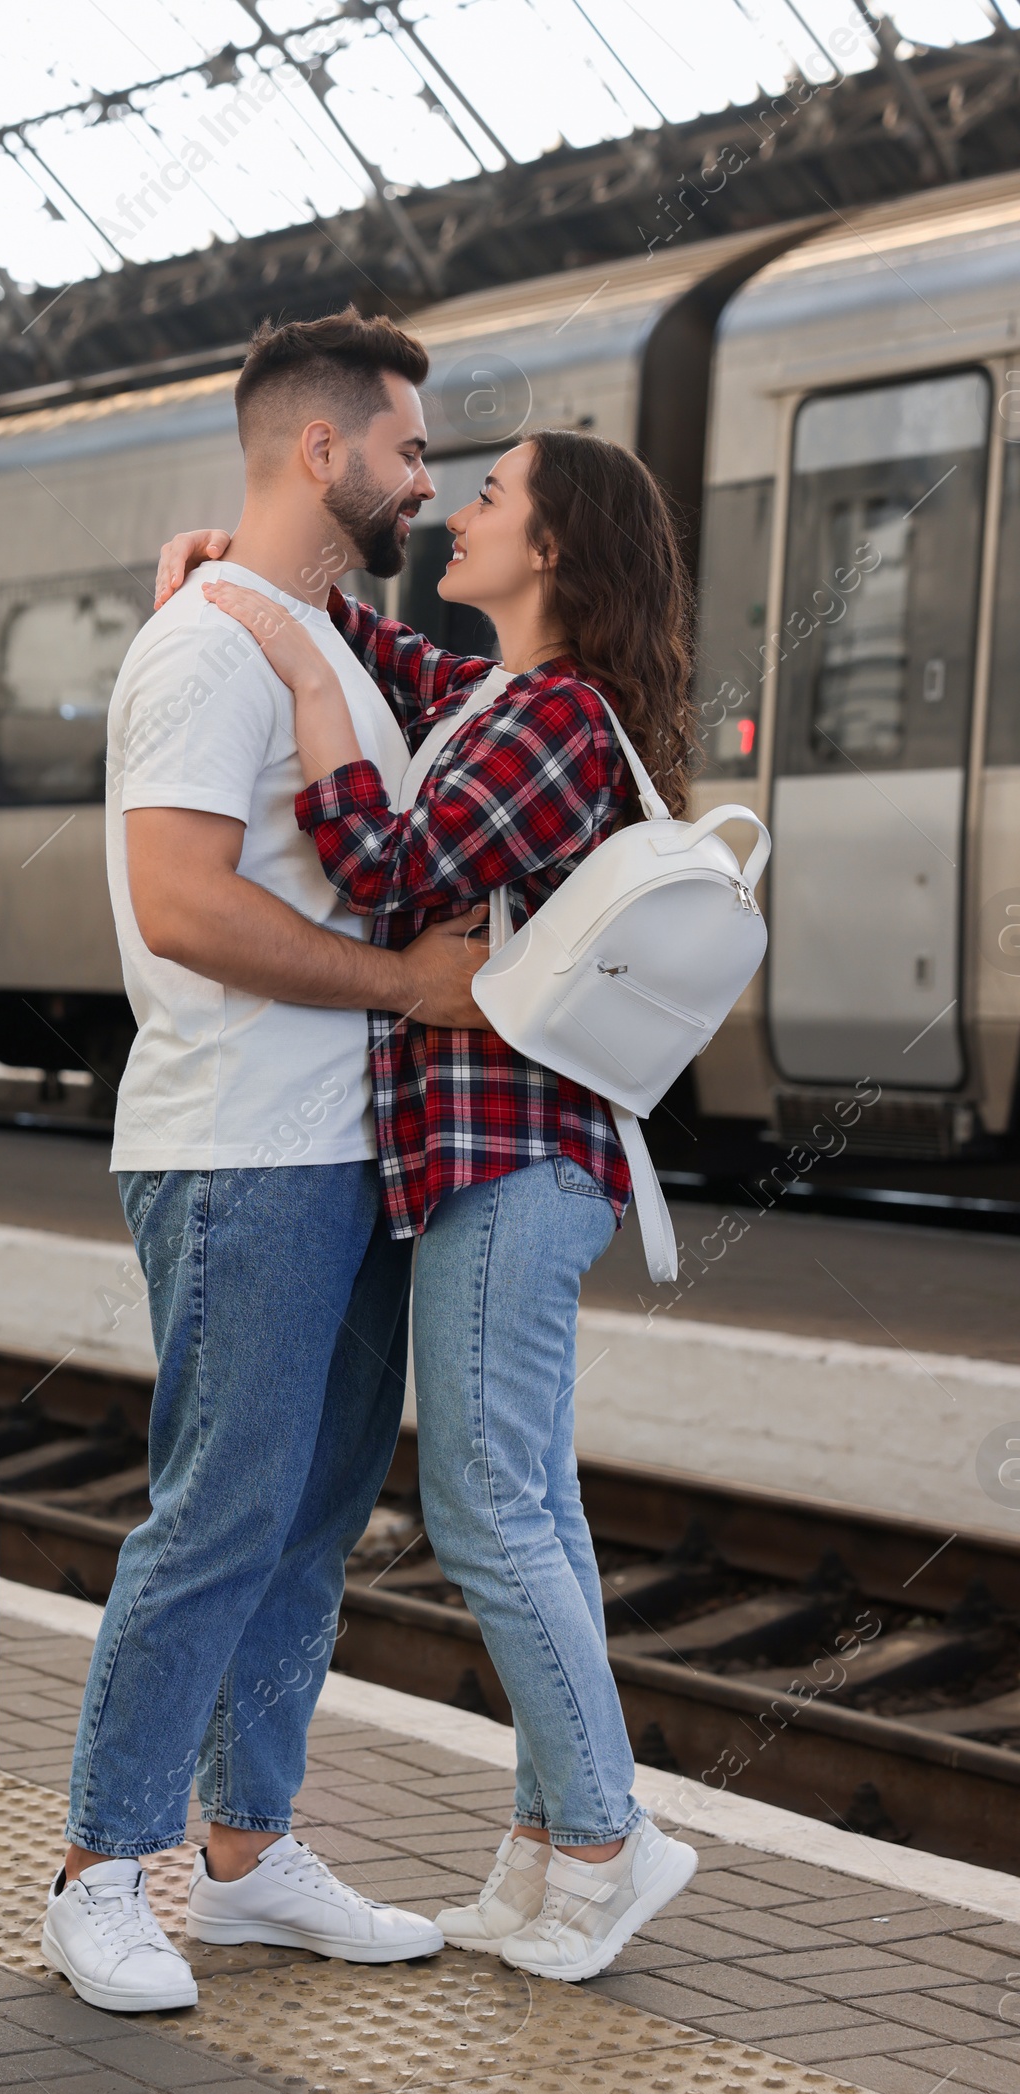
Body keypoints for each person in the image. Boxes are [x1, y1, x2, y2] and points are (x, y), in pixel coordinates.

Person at [156, 425, 700, 1982]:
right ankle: (544, 1849)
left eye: (489, 498)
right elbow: (394, 652)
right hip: (504, 1162)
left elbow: (392, 867)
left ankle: (608, 1836)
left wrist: (310, 689)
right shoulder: (505, 697)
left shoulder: (551, 721)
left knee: (481, 1505)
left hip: (514, 1159)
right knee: (542, 1502)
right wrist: (265, 588)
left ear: (554, 547)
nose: (456, 514)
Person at [41, 310, 488, 2013]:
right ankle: (100, 1867)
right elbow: (180, 903)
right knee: (217, 1516)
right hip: (240, 1149)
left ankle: (246, 1851)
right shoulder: (210, 649)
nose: (426, 480)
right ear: (327, 452)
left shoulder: (310, 632)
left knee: (308, 1523)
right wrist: (403, 987)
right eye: (410, 447)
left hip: (343, 1152)